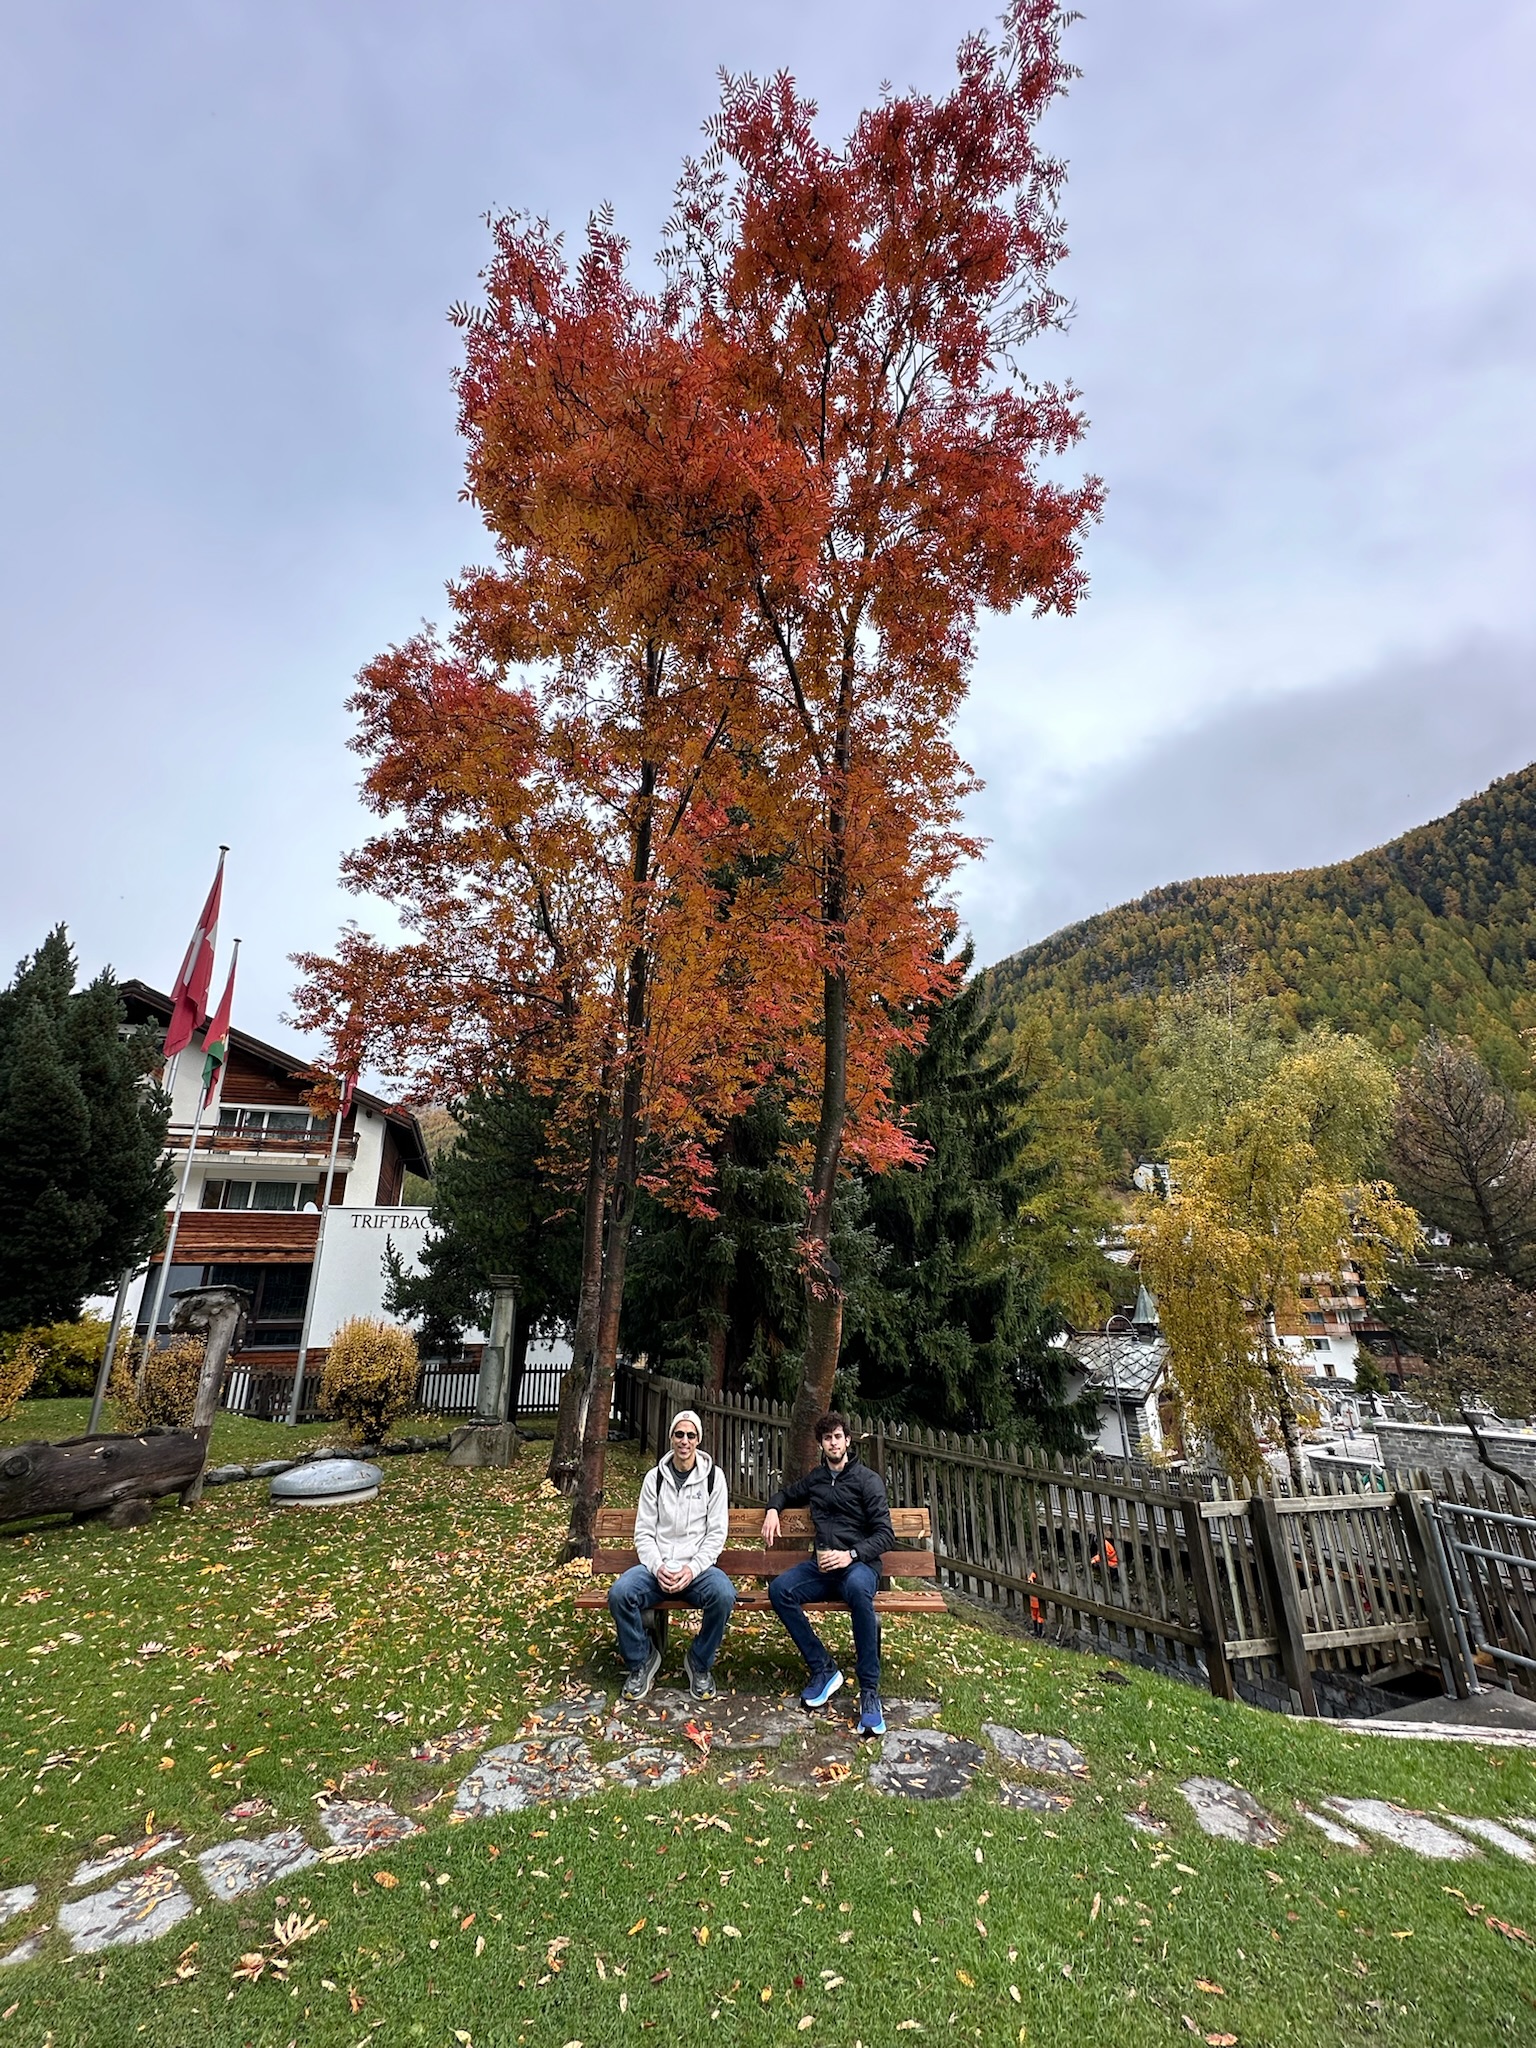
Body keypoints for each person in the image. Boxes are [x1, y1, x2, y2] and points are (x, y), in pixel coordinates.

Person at [762, 1412, 895, 1738]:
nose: (833, 1443)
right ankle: (823, 1668)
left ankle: (869, 1691)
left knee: (860, 1593)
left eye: (838, 1437)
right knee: (780, 1590)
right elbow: (785, 1493)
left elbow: (885, 1535)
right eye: (827, 1438)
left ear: (848, 1441)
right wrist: (771, 1510)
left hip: (859, 1568)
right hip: (821, 1569)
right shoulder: (817, 1478)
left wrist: (850, 1554)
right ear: (821, 1444)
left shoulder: (867, 1480)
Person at [608, 1409, 734, 1703]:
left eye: (691, 1435)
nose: (685, 1441)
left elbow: (716, 1535)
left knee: (724, 1594)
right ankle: (641, 1660)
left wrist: (692, 1570)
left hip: (697, 1572)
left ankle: (699, 1662)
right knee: (620, 1593)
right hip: (657, 1569)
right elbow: (644, 1533)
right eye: (679, 1434)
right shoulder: (655, 1479)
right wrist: (658, 1566)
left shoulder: (714, 1479)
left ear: (699, 1440)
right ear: (671, 1438)